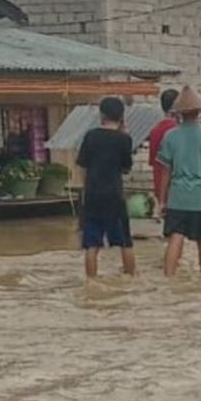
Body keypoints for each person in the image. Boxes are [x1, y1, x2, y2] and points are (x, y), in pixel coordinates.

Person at [157, 86, 201, 277]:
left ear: (179, 113)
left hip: (178, 197)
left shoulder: (170, 137)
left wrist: (162, 200)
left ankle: (168, 281)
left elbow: (165, 172)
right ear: (199, 112)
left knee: (175, 238)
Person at [75, 96, 135, 277]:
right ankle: (130, 278)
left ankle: (91, 282)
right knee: (125, 242)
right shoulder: (124, 139)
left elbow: (83, 168)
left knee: (91, 244)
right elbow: (126, 168)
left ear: (101, 114)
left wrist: (87, 189)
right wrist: (123, 133)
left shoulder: (90, 136)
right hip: (115, 196)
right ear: (122, 116)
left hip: (93, 196)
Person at [147, 89, 180, 215]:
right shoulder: (178, 131)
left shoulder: (154, 131)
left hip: (160, 187)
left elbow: (153, 161)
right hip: (178, 188)